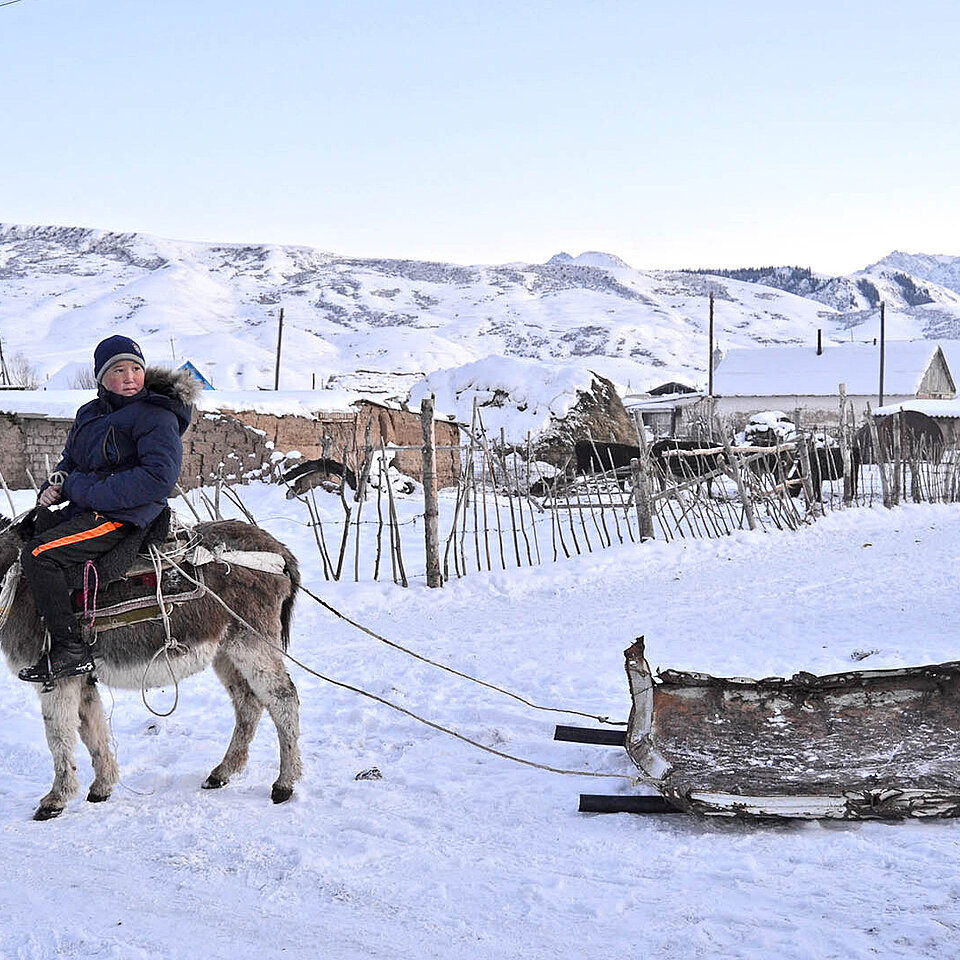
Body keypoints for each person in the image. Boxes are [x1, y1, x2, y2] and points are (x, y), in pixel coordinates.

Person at [18, 335, 196, 684]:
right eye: (118, 369)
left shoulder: (156, 415)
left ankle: (71, 649)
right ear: (101, 377)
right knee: (27, 532)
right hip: (89, 506)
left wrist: (87, 491)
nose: (129, 377)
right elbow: (70, 460)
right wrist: (54, 484)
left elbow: (158, 478)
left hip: (122, 515)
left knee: (40, 556)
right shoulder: (90, 413)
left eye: (135, 368)